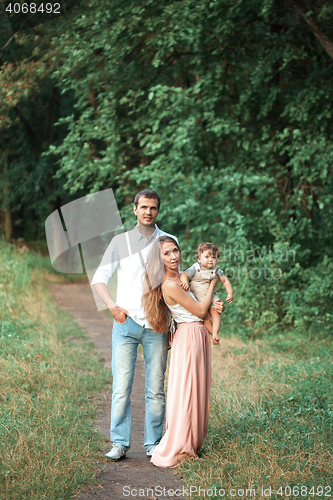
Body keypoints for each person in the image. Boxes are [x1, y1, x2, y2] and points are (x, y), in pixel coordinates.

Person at [90, 190, 178, 460]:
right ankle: (119, 443)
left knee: (156, 390)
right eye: (143, 207)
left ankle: (153, 445)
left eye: (153, 207)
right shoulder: (120, 242)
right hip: (126, 324)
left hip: (158, 325)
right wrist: (112, 307)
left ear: (158, 211)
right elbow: (99, 277)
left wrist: (176, 324)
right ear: (134, 209)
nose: (148, 212)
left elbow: (175, 284)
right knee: (121, 387)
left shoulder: (169, 241)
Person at [142, 236, 224, 468]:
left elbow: (204, 308)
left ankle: (193, 441)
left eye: (175, 250)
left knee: (198, 388)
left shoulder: (183, 278)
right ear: (158, 260)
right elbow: (199, 310)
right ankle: (180, 445)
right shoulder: (169, 285)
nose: (174, 256)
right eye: (166, 253)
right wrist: (212, 287)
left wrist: (215, 310)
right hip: (188, 336)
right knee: (187, 391)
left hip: (198, 335)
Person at [180, 242, 233, 345]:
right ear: (199, 259)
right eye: (207, 256)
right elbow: (184, 275)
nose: (210, 259)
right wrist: (185, 282)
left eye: (214, 257)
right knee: (206, 317)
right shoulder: (195, 268)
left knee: (216, 310)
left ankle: (216, 331)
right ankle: (213, 334)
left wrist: (230, 293)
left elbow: (225, 281)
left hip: (211, 294)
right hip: (197, 296)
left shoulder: (216, 270)